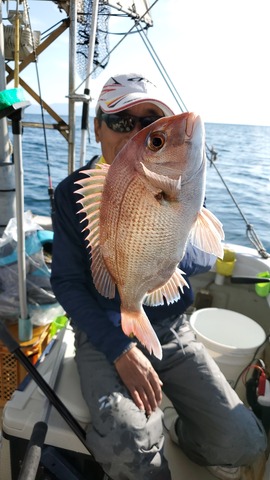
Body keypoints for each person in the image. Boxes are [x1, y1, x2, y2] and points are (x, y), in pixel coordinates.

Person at [51, 73, 267, 480]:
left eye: (150, 126)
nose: (136, 131)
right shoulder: (71, 193)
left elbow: (202, 263)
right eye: (120, 121)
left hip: (171, 327)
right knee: (130, 446)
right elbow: (66, 282)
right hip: (103, 335)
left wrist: (177, 227)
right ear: (97, 127)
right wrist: (119, 347)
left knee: (245, 444)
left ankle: (181, 429)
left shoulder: (180, 182)